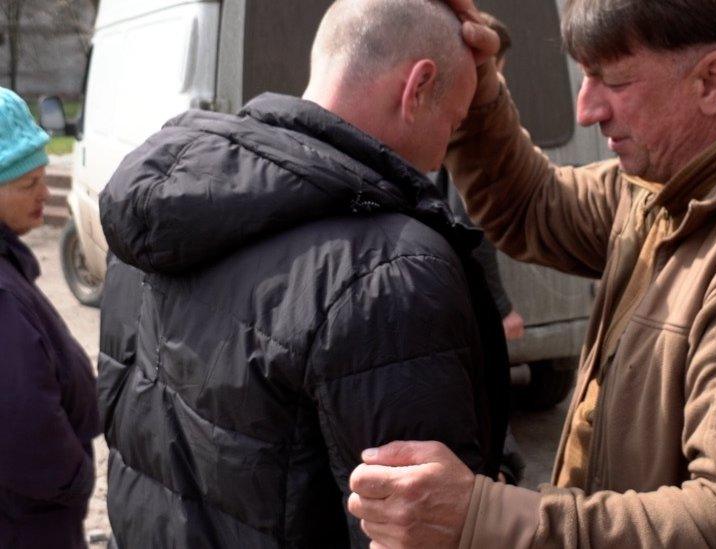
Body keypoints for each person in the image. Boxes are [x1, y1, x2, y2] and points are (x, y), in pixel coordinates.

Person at [347, 1, 716, 548]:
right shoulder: (671, 189)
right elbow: (534, 206)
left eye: (612, 81)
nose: (587, 109)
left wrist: (481, 516)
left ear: (712, 81)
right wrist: (481, 85)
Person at [96, 0, 508, 546]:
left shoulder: (154, 214)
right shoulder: (393, 272)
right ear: (418, 86)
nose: (440, 158)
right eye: (454, 123)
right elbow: (412, 532)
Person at [0, 87, 99, 548]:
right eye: (26, 184)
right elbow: (22, 423)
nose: (44, 192)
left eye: (42, 176)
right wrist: (75, 477)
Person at [434, 10, 525, 343]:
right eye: (498, 73)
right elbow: (470, 223)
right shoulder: (471, 125)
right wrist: (501, 308)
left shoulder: (438, 115)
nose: (503, 84)